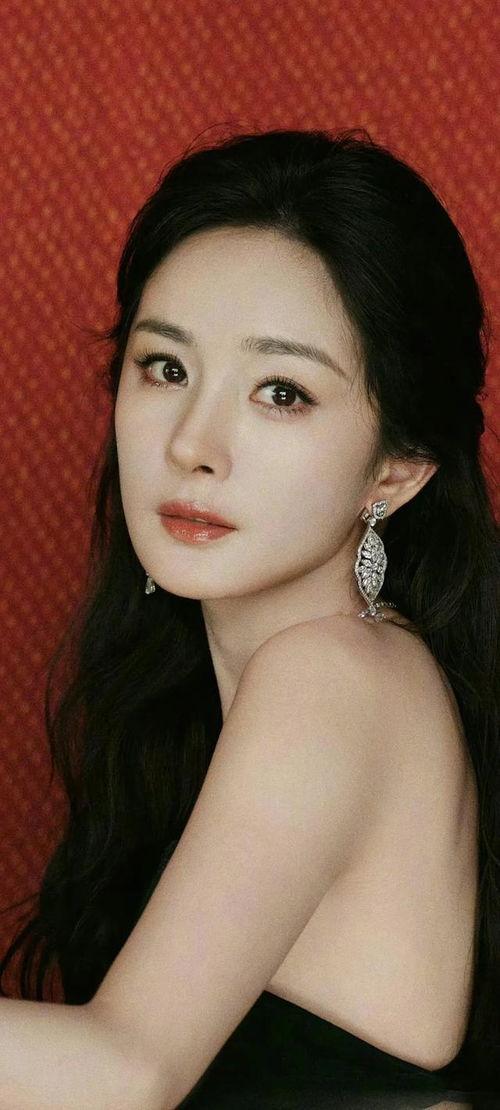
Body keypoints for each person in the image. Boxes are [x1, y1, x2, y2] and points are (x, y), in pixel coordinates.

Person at [0, 127, 498, 1107]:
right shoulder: (319, 675)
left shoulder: (330, 678)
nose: (193, 442)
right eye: (164, 368)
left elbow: (124, 1071)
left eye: (281, 392)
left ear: (396, 471)